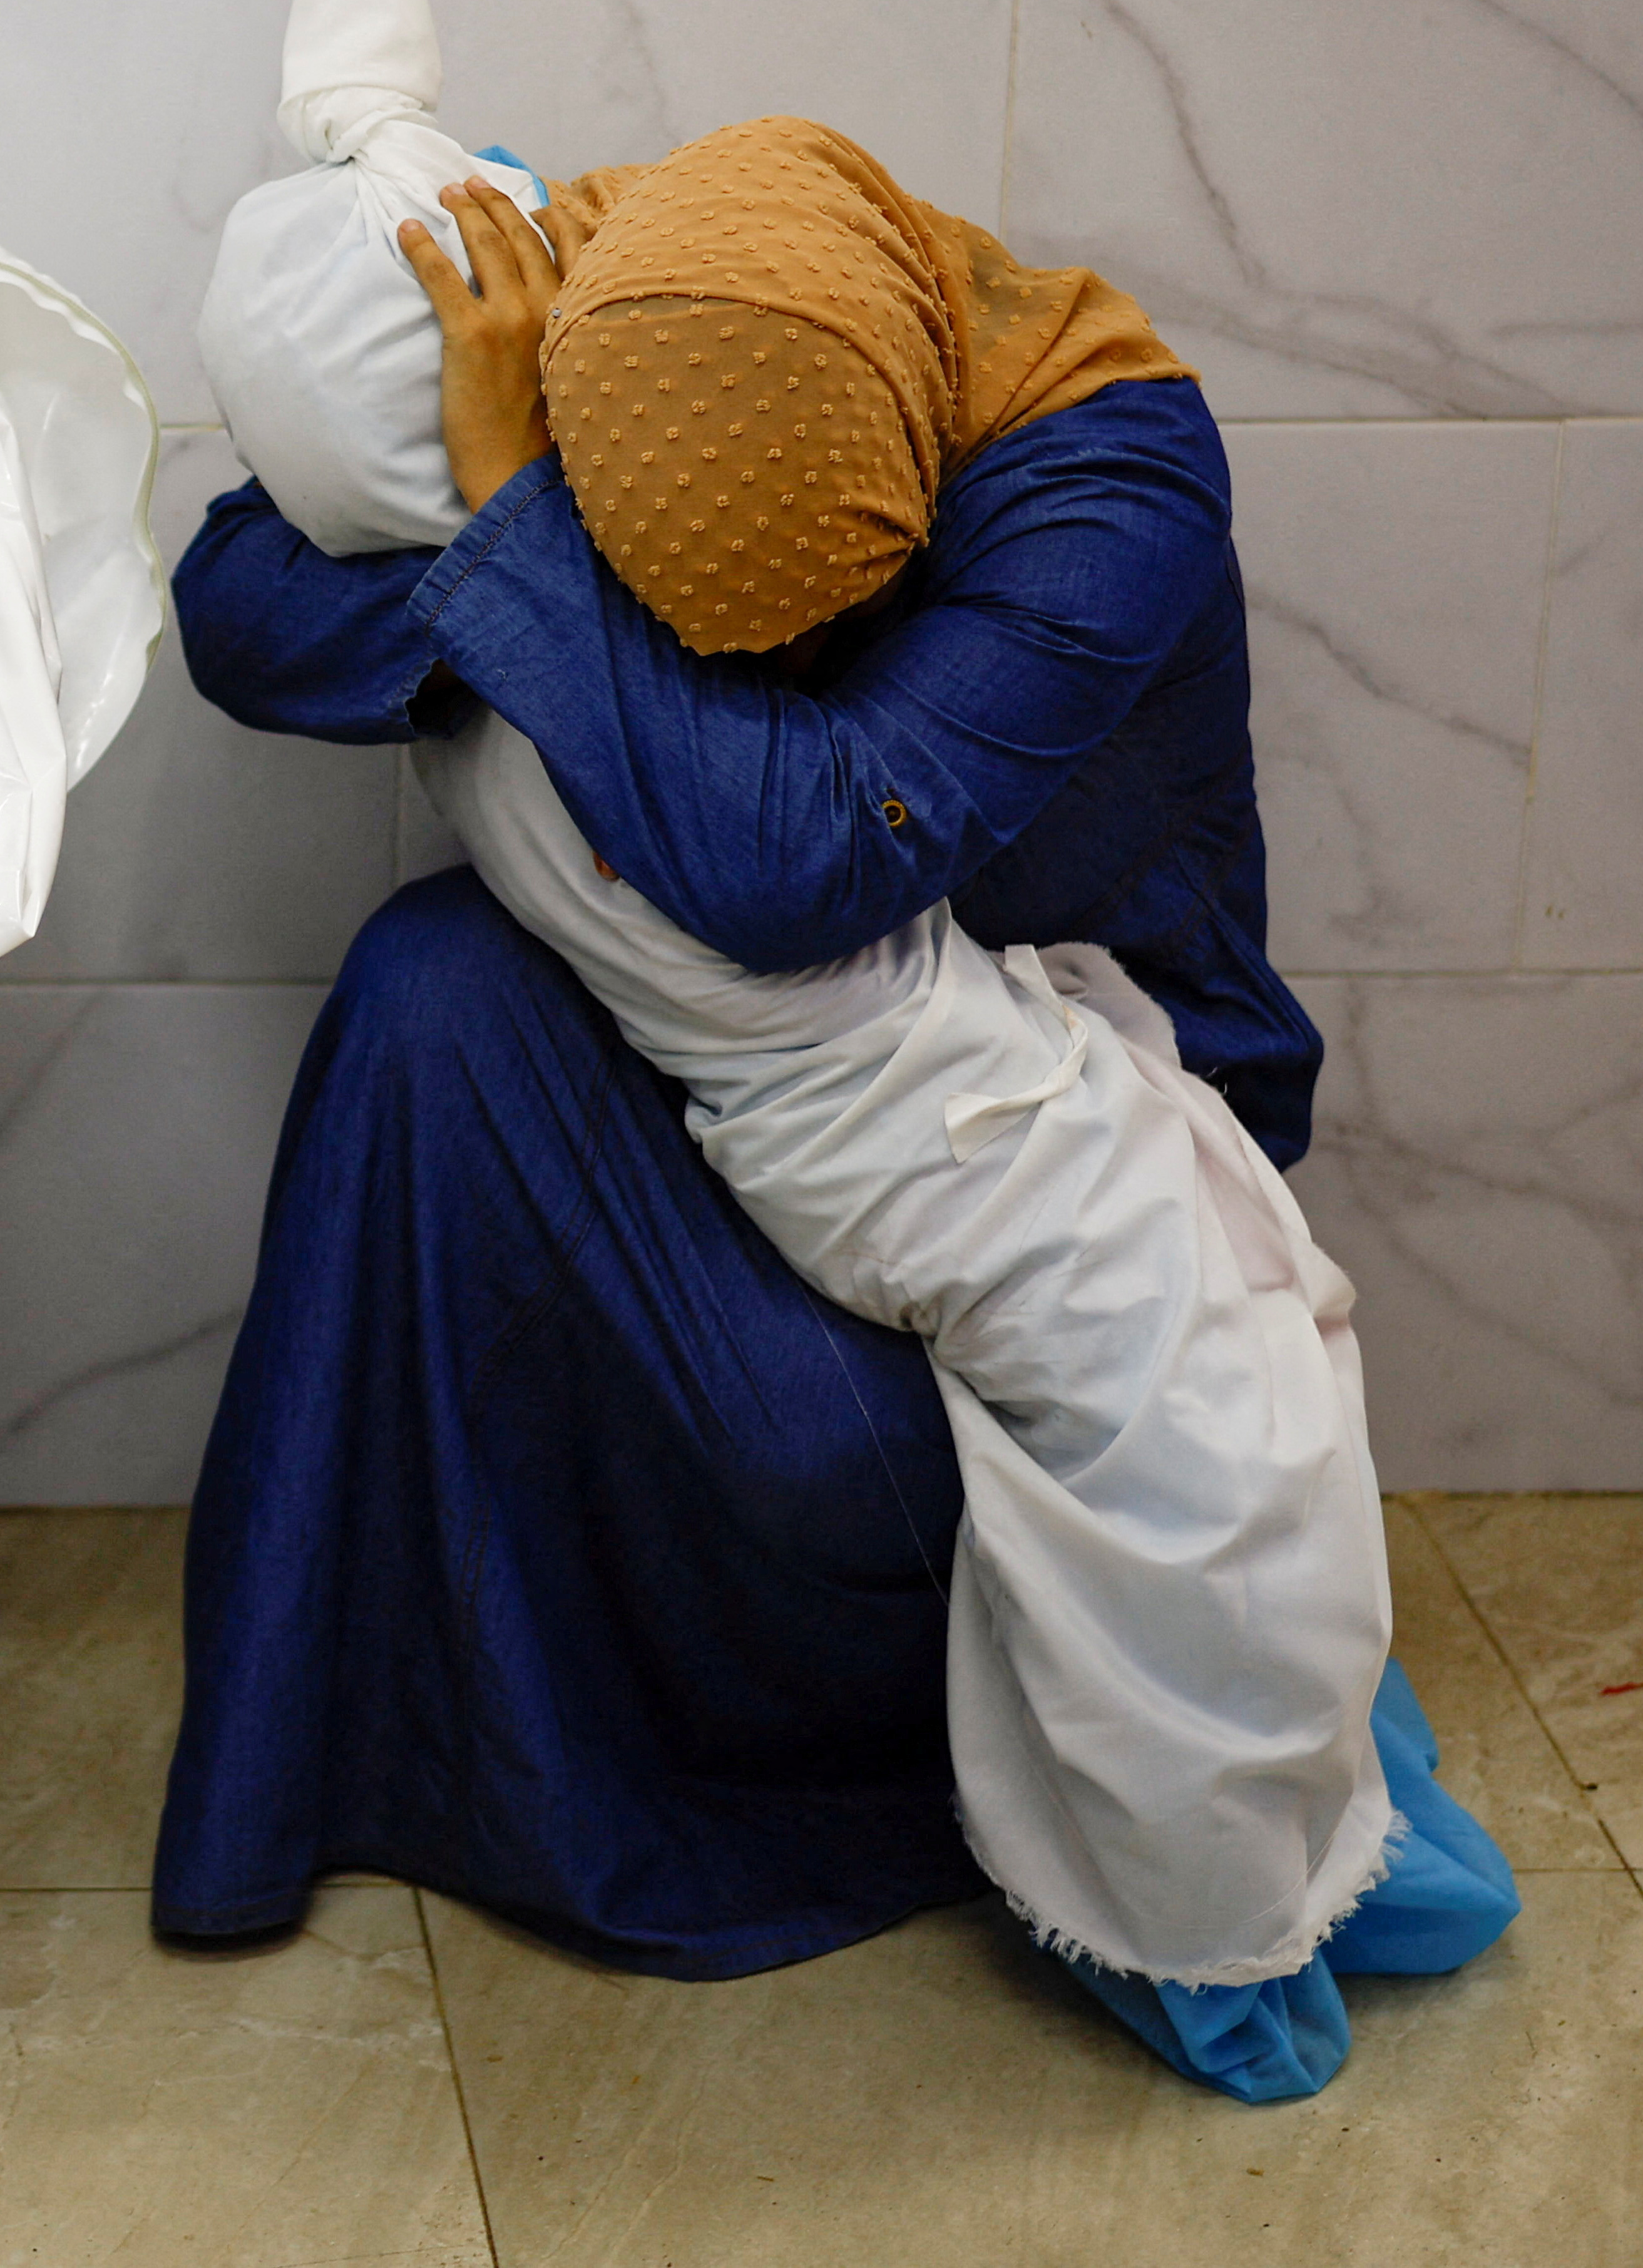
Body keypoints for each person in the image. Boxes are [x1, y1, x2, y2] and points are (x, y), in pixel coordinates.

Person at [155, 113, 1510, 2099]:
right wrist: (526, 474)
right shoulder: (660, 332)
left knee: (816, 1447)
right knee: (430, 988)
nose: (753, 637)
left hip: (1044, 1086)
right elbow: (244, 612)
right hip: (774, 1060)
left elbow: (800, 857)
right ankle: (372, 1752)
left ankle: (1076, 1800)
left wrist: (525, 510)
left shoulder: (1106, 482)